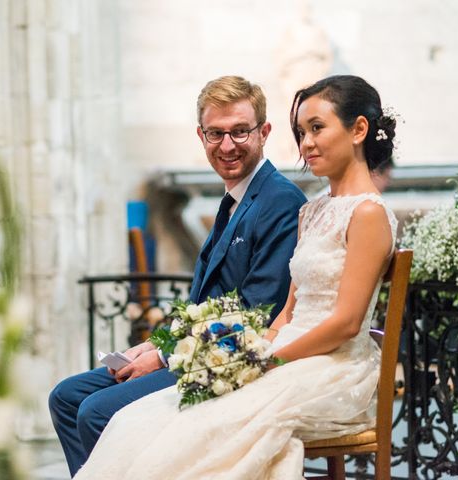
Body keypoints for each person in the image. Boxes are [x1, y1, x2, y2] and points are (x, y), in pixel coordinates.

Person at [72, 74, 398, 479]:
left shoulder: (367, 213)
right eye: (301, 132)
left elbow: (347, 323)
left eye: (317, 128)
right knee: (139, 419)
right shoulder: (312, 210)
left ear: (359, 130)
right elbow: (288, 311)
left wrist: (264, 358)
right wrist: (248, 352)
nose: (306, 143)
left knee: (190, 426)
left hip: (330, 365)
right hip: (282, 352)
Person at [49, 76, 307, 476]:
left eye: (240, 131)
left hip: (230, 364)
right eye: (216, 133)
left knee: (97, 412)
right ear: (200, 136)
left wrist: (165, 356)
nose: (227, 145)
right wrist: (152, 344)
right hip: (195, 351)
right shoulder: (235, 197)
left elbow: (258, 313)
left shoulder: (279, 201)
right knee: (66, 398)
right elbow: (201, 305)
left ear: (264, 132)